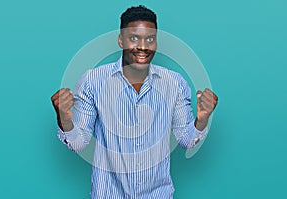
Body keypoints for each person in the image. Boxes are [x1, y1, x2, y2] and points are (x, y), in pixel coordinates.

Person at [51, 5, 218, 198]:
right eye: (134, 38)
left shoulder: (175, 83)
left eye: (150, 39)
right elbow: (78, 142)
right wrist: (64, 118)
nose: (143, 46)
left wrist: (202, 119)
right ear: (121, 40)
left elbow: (187, 140)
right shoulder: (93, 81)